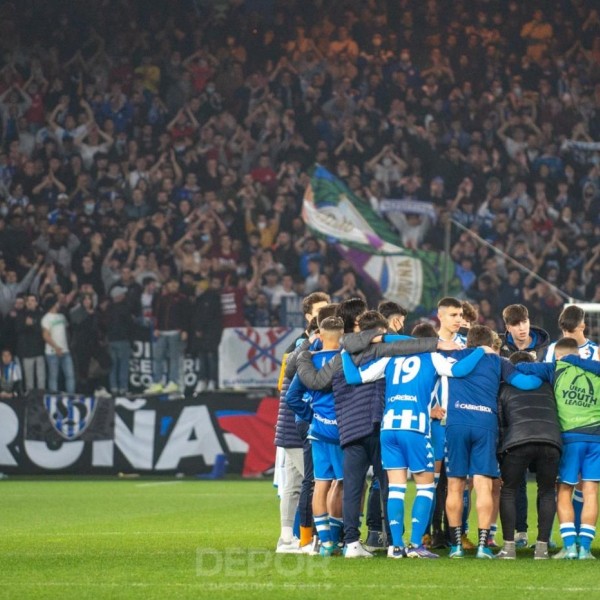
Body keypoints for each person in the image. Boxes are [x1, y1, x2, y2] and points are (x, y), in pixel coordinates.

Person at [295, 310, 459, 557]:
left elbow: (316, 383)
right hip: (379, 425)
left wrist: (304, 355)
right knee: (389, 486)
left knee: (348, 486)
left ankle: (347, 542)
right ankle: (394, 542)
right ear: (378, 333)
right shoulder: (386, 353)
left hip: (349, 429)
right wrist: (434, 344)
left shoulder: (342, 355)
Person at [341, 317, 490, 559]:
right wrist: (480, 351)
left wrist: (345, 352)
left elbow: (354, 378)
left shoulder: (391, 357)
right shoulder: (431, 356)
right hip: (416, 428)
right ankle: (416, 545)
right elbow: (460, 370)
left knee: (397, 489)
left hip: (389, 429)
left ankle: (396, 547)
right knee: (426, 487)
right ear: (430, 341)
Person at [443, 325, 542, 559]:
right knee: (484, 485)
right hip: (484, 424)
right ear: (490, 343)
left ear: (468, 342)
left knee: (455, 485)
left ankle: (456, 545)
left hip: (456, 423)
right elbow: (526, 384)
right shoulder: (499, 362)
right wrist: (543, 377)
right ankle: (482, 546)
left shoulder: (453, 356)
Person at [515, 338, 600, 560]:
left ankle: (570, 546)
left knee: (564, 491)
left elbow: (520, 367)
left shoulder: (555, 368)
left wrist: (537, 360)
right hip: (595, 439)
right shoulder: (596, 371)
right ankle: (586, 550)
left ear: (558, 354)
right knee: (590, 492)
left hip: (569, 439)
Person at [273, 291, 329, 554]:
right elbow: (286, 386)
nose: (327, 314)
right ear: (309, 317)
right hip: (295, 423)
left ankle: (287, 538)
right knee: (311, 482)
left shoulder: (310, 346)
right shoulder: (300, 347)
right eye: (321, 310)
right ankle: (308, 538)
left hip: (292, 423)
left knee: (294, 484)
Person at [286, 316, 345, 557]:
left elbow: (292, 398)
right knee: (340, 483)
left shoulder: (307, 364)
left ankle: (325, 542)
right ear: (342, 337)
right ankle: (338, 538)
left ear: (319, 335)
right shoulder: (345, 361)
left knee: (320, 483)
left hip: (318, 431)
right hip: (341, 432)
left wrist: (312, 416)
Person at [496, 351, 562, 560]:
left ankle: (509, 548)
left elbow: (500, 422)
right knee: (547, 492)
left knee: (508, 490)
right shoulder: (549, 386)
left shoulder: (504, 386)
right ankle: (542, 548)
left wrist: (500, 454)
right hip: (550, 441)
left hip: (517, 441)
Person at [145, 279, 190, 394]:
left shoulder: (182, 299)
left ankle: (173, 382)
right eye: (171, 283)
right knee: (158, 358)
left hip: (175, 332)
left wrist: (185, 330)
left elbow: (186, 315)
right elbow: (157, 315)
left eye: (175, 283)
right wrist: (156, 328)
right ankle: (157, 383)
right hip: (162, 332)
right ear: (167, 285)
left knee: (174, 359)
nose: (173, 285)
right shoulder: (161, 299)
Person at [191, 276, 223, 393]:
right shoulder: (199, 299)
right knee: (203, 356)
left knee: (210, 356)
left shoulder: (211, 297)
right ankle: (203, 380)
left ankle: (211, 380)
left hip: (211, 332)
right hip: (204, 333)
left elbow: (207, 315)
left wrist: (199, 327)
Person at [41, 294, 75, 393]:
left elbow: (67, 331)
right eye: (57, 303)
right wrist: (56, 347)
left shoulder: (62, 316)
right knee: (53, 376)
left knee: (70, 375)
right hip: (52, 352)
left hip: (65, 350)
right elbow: (46, 335)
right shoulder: (46, 318)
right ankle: (53, 396)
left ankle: (70, 395)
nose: (58, 304)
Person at [104, 286, 134, 395]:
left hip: (111, 340)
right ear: (119, 296)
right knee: (123, 365)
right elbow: (130, 324)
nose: (124, 295)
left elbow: (105, 324)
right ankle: (123, 388)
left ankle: (113, 388)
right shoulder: (125, 308)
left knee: (113, 365)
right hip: (123, 340)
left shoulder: (108, 309)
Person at [15, 294, 45, 391]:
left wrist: (32, 324)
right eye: (28, 300)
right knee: (29, 380)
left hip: (39, 350)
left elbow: (42, 329)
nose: (30, 302)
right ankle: (29, 400)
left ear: (36, 303)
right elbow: (17, 329)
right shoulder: (20, 314)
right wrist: (28, 325)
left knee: (41, 378)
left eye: (32, 300)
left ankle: (41, 397)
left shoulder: (41, 314)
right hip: (26, 351)